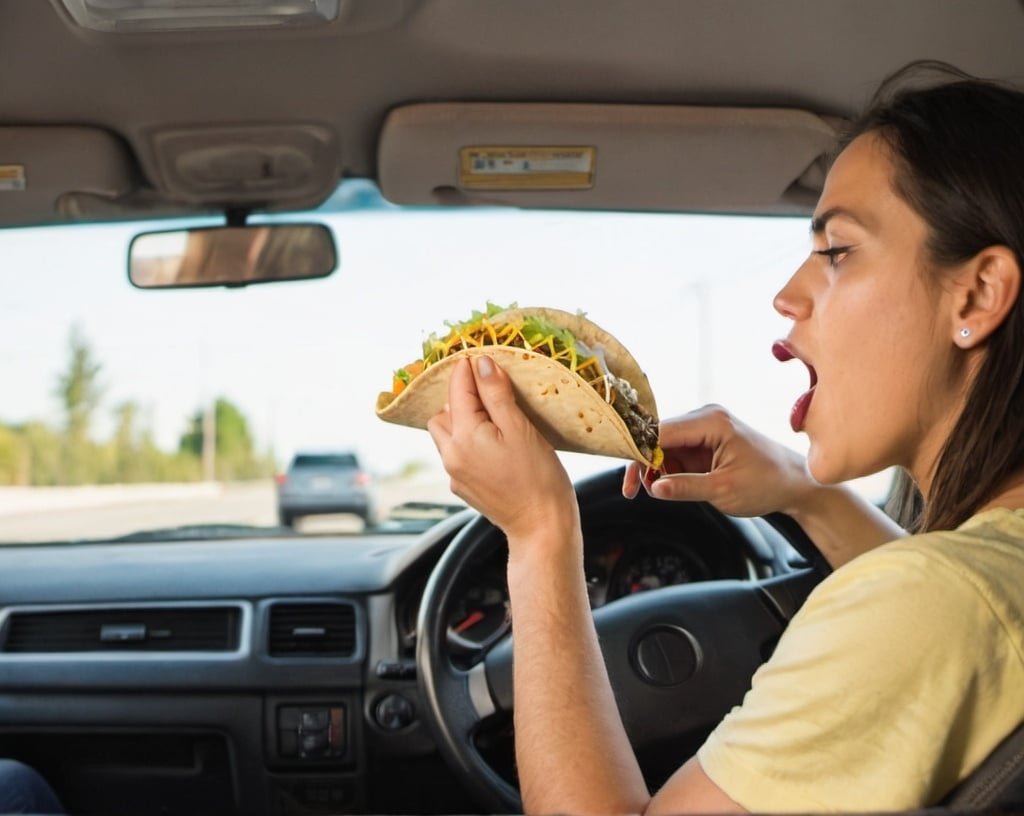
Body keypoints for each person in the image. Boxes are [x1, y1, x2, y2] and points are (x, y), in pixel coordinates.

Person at [426, 62, 1024, 813]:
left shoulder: (924, 603)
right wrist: (807, 494)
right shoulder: (983, 582)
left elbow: (934, 607)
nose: (786, 295)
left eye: (837, 252)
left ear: (976, 294)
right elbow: (965, 626)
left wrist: (540, 536)